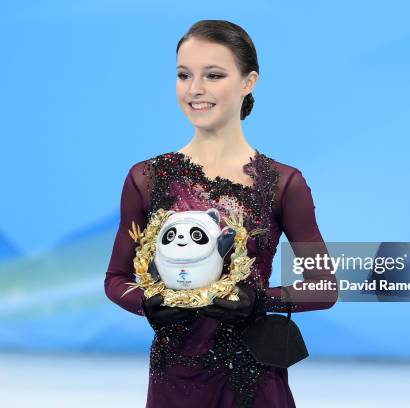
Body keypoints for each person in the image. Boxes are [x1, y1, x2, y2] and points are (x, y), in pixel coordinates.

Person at [105, 20, 338, 408]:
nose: (195, 89)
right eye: (184, 75)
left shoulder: (283, 183)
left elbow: (324, 287)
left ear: (249, 82)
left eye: (213, 75)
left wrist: (260, 300)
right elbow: (116, 278)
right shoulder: (145, 179)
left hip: (254, 381)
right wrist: (146, 302)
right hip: (174, 383)